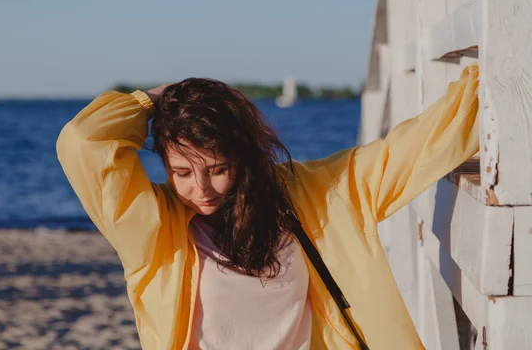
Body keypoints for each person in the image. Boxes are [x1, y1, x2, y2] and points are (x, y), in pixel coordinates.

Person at [56, 64, 480, 349]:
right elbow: (83, 142)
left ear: (245, 156)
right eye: (182, 172)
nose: (201, 189)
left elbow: (418, 144)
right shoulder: (155, 232)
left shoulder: (315, 194)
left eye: (218, 168)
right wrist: (151, 100)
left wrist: (494, 79)